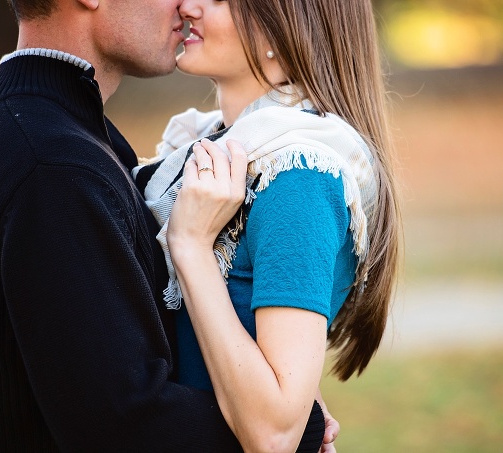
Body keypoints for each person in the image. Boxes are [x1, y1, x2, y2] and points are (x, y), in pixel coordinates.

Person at [0, 0, 336, 451]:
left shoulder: (1, 135)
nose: (184, 4)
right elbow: (127, 425)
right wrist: (299, 430)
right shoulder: (51, 164)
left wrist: (278, 387)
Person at [131, 0, 401, 451]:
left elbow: (274, 434)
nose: (188, 6)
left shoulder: (298, 176)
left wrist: (192, 246)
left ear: (283, 30)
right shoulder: (206, 148)